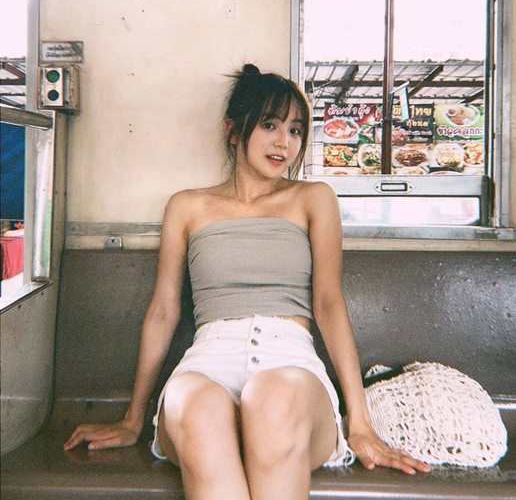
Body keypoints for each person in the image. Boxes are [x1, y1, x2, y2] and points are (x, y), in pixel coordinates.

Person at [64, 64, 430, 499]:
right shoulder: (187, 206)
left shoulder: (313, 199)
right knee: (197, 407)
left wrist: (361, 422)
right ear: (233, 131)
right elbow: (163, 310)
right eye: (270, 125)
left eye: (295, 130)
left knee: (271, 399)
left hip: (290, 364)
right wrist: (132, 419)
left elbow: (329, 303)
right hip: (207, 361)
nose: (284, 142)